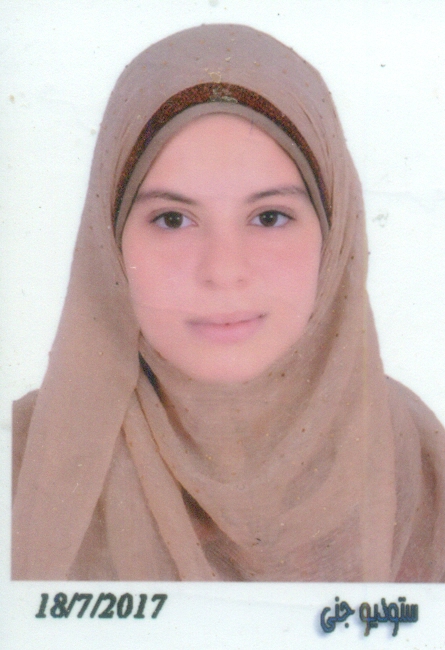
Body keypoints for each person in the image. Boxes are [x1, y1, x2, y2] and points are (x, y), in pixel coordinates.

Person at [12, 23, 445, 581]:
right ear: (110, 241)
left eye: (270, 217)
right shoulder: (22, 462)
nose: (223, 271)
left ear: (335, 236)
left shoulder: (424, 467)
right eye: (173, 219)